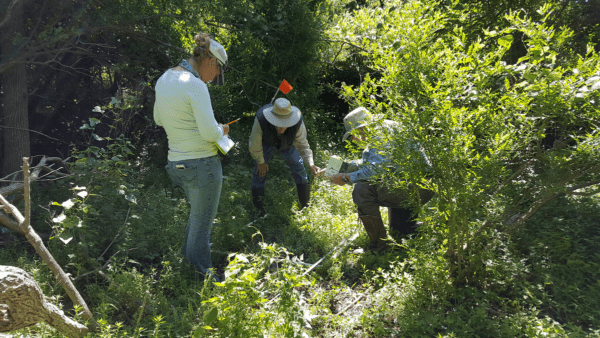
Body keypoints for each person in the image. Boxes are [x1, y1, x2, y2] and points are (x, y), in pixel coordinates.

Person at [153, 32, 228, 281]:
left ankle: (188, 267)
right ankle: (202, 276)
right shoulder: (195, 84)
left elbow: (158, 119)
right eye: (218, 71)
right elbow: (209, 133)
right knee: (202, 222)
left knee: (196, 218)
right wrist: (222, 130)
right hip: (202, 164)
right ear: (210, 62)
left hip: (176, 163)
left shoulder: (165, 79)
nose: (216, 76)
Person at [329, 107, 434, 252]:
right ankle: (431, 228)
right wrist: (341, 167)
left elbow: (375, 171)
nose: (353, 139)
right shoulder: (383, 128)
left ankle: (379, 247)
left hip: (417, 187)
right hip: (415, 185)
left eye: (353, 134)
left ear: (362, 127)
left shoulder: (381, 135)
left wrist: (346, 177)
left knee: (362, 190)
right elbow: (371, 164)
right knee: (400, 233)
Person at [249, 98, 320, 215]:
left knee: (299, 166)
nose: (281, 129)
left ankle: (305, 206)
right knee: (259, 171)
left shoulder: (298, 122)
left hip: (288, 143)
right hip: (266, 142)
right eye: (278, 124)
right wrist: (261, 162)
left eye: (285, 124)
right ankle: (259, 211)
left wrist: (311, 163)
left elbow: (303, 145)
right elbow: (254, 144)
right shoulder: (261, 119)